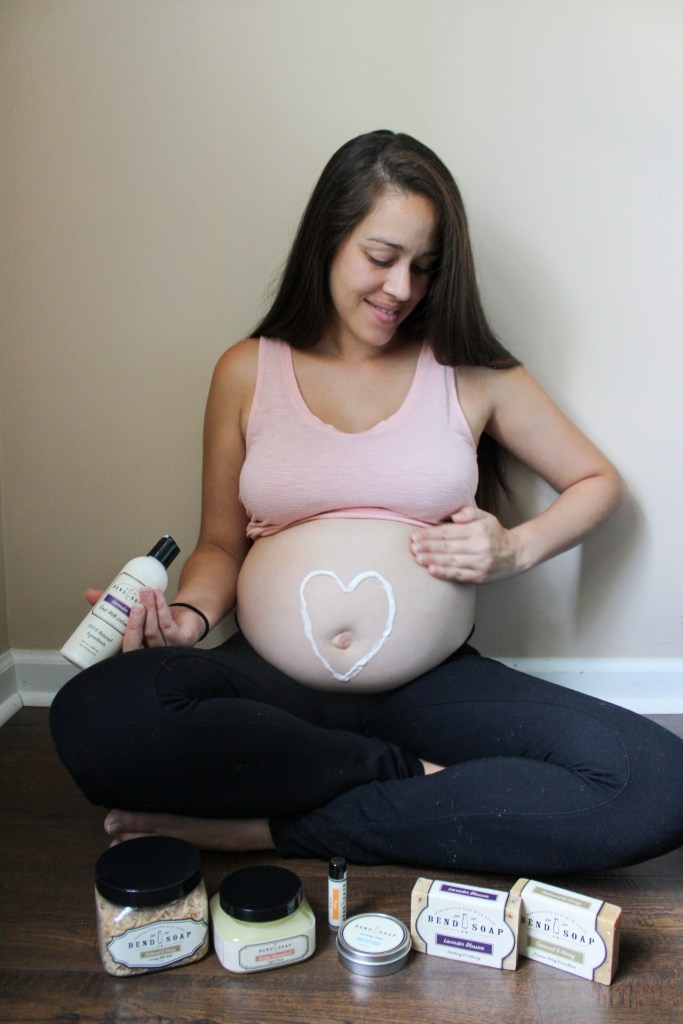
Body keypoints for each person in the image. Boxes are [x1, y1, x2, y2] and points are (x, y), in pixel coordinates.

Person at [50, 130, 683, 876]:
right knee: (94, 715)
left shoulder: (470, 373)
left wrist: (514, 548)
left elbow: (597, 483)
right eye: (381, 258)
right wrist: (186, 620)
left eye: (424, 267)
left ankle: (276, 829)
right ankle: (401, 779)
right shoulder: (247, 370)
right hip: (268, 685)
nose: (401, 289)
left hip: (431, 686)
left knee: (654, 783)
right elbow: (221, 544)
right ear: (327, 239)